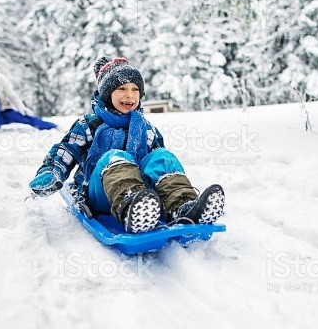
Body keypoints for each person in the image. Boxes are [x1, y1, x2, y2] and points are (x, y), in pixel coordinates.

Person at [28, 57, 225, 233]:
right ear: (107, 94)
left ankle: (184, 206)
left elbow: (154, 165)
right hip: (99, 193)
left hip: (145, 195)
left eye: (135, 90)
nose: (129, 95)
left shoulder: (146, 129)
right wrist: (52, 172)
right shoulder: (88, 125)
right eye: (121, 89)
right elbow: (65, 151)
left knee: (162, 157)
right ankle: (132, 208)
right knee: (115, 156)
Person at [0, 56, 57, 130]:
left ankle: (53, 126)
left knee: (26, 117)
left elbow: (12, 96)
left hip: (7, 111)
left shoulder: (1, 79)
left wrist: (21, 107)